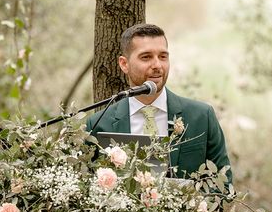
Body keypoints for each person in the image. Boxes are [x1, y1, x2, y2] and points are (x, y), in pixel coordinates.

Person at [86, 23, 232, 183]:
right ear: (124, 64)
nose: (157, 65)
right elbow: (90, 188)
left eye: (163, 56)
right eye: (146, 57)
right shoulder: (99, 124)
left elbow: (223, 186)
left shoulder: (202, 117)